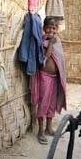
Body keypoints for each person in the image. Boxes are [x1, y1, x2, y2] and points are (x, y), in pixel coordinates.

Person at [31, 16, 67, 144]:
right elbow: (43, 59)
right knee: (43, 102)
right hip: (44, 76)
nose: (51, 30)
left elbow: (60, 58)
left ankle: (48, 128)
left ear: (57, 29)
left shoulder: (57, 41)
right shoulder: (42, 41)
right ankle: (40, 130)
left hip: (54, 78)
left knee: (51, 102)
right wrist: (50, 44)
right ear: (44, 28)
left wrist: (53, 43)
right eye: (48, 28)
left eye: (54, 28)